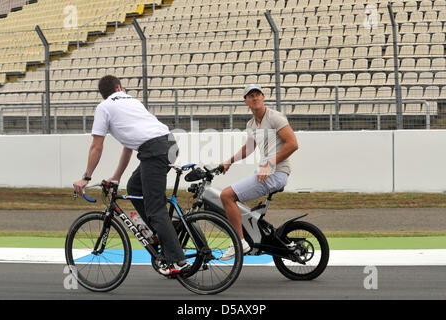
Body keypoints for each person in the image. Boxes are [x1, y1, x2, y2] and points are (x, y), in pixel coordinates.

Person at [73, 75, 190, 276]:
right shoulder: (132, 101)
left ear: (103, 93)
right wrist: (116, 176)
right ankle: (164, 233)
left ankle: (177, 261)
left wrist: (87, 177)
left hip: (153, 150)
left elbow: (96, 146)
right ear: (119, 87)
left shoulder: (104, 107)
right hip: (168, 143)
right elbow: (129, 147)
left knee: (155, 209)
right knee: (134, 188)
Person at [218, 84, 299, 260]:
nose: (254, 98)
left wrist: (269, 164)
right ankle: (253, 235)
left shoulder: (275, 117)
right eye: (250, 96)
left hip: (276, 172)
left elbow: (293, 144)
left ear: (263, 97)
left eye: (257, 94)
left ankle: (240, 242)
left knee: (226, 196)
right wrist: (229, 161)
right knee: (238, 201)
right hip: (265, 171)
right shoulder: (251, 124)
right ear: (246, 101)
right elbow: (248, 148)